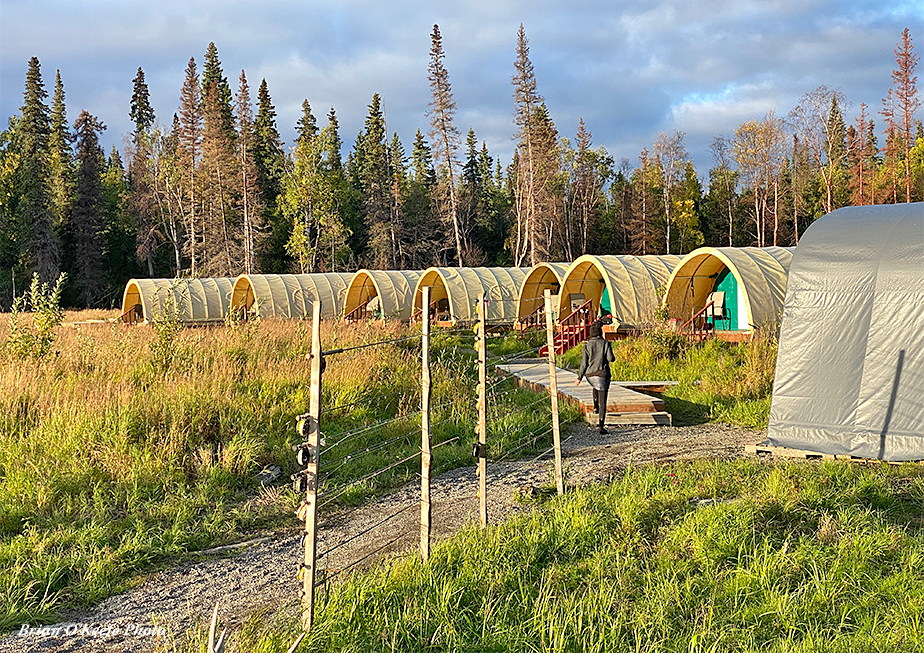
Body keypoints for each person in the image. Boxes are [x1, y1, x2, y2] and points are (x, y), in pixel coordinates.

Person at [574, 322, 615, 434]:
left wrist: (579, 377)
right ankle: (601, 426)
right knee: (603, 399)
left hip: (590, 376)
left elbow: (583, 364)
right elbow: (611, 358)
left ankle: (595, 407)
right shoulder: (606, 343)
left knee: (595, 386)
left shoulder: (587, 346)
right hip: (602, 375)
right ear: (600, 333)